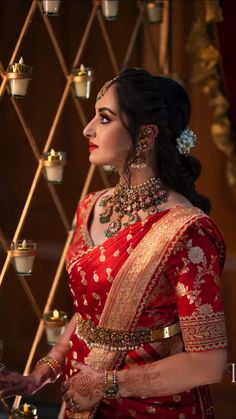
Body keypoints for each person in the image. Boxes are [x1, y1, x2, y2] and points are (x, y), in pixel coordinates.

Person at [0, 68, 228, 419]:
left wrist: (108, 384)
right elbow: (93, 313)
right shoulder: (91, 206)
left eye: (104, 118)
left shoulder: (187, 232)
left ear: (145, 135)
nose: (87, 129)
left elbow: (209, 362)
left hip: (155, 408)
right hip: (82, 399)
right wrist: (40, 374)